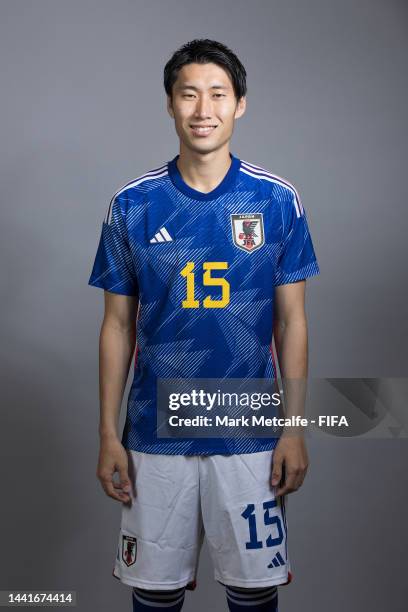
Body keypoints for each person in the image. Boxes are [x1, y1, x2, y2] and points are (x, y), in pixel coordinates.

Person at [88, 38, 320, 612]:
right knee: (154, 591)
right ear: (170, 104)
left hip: (248, 429)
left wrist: (294, 429)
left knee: (251, 588)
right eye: (188, 94)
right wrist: (107, 434)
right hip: (154, 431)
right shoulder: (132, 205)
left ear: (240, 103)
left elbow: (292, 323)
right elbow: (116, 327)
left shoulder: (275, 201)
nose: (203, 109)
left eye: (217, 94)